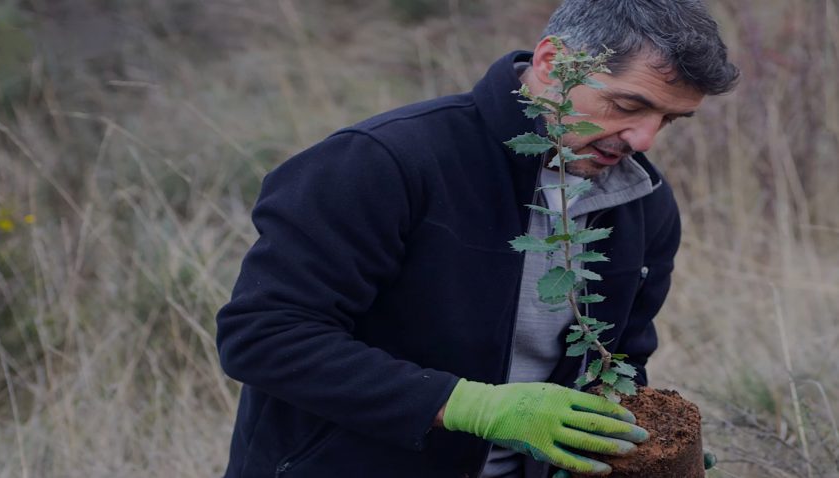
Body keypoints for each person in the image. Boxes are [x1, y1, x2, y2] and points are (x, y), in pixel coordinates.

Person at [215, 1, 739, 477]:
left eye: (668, 119)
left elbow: (621, 358)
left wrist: (630, 448)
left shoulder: (642, 201)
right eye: (627, 106)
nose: (644, 139)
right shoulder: (383, 162)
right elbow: (263, 336)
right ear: (552, 63)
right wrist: (473, 407)